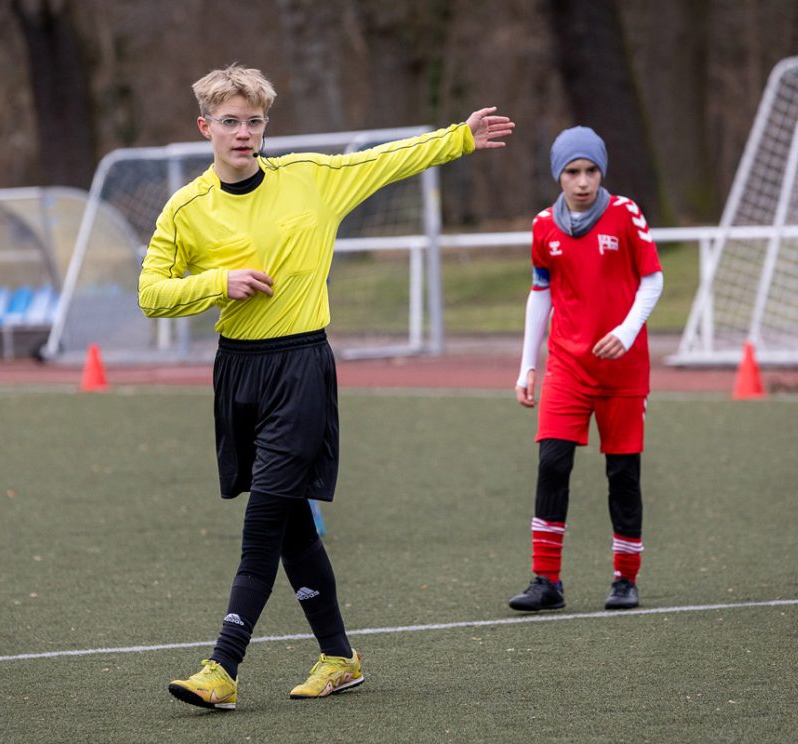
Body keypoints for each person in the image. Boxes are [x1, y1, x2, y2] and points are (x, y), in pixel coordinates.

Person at [138, 63, 515, 711]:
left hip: (302, 369)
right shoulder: (186, 209)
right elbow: (151, 294)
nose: (243, 133)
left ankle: (222, 669)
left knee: (263, 522)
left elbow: (385, 160)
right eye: (229, 121)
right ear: (205, 127)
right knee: (289, 528)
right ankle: (340, 657)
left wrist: (458, 137)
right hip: (237, 373)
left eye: (254, 121)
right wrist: (217, 285)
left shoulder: (310, 179)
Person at [508, 125, 663, 613]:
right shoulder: (543, 227)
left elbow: (653, 279)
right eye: (572, 171)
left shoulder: (625, 214)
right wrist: (526, 366)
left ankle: (624, 579)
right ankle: (546, 581)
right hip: (567, 367)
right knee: (552, 463)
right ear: (559, 175)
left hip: (622, 370)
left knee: (623, 473)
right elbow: (541, 293)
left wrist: (629, 328)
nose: (582, 181)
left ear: (601, 172)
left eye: (590, 170)